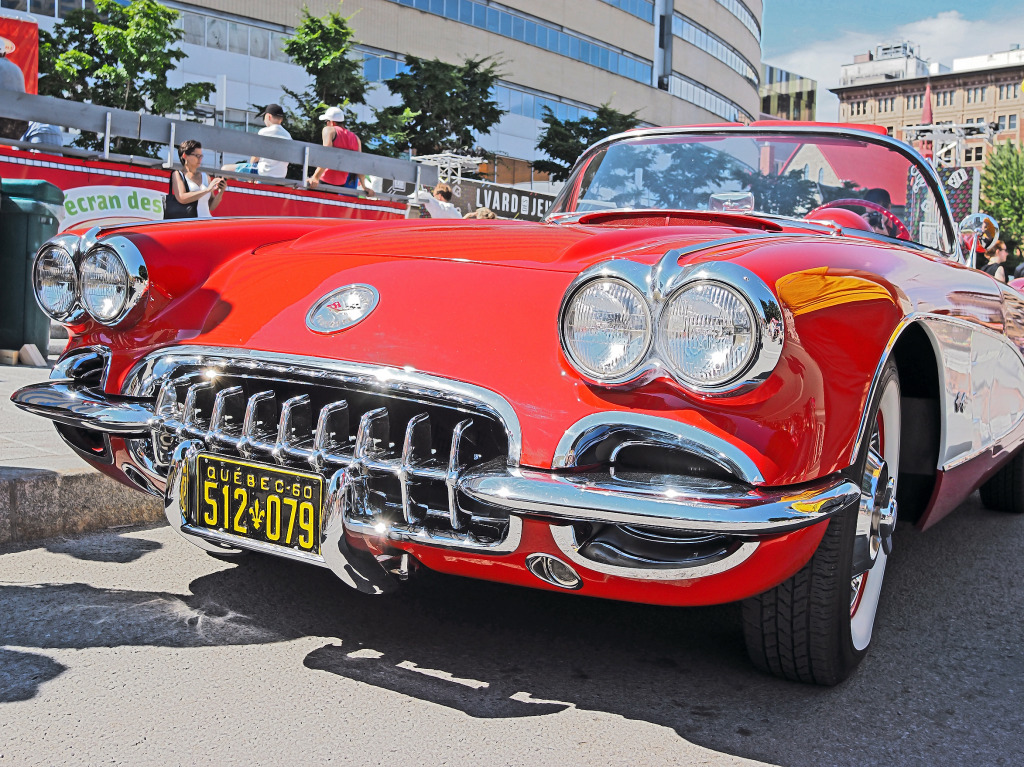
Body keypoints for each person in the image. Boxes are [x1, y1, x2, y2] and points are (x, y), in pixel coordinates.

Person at [222, 103, 291, 178]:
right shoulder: (288, 136)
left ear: (269, 116)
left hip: (263, 173)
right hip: (281, 176)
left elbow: (255, 158)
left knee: (225, 169)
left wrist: (251, 174)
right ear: (281, 119)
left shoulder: (264, 132)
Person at [307, 106, 367, 192]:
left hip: (323, 180)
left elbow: (326, 156)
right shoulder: (356, 138)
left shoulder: (329, 130)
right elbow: (358, 165)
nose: (326, 124)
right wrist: (364, 187)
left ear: (331, 122)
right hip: (340, 185)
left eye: (326, 121)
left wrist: (315, 177)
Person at [171, 140, 226, 218]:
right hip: (190, 223)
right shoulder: (178, 174)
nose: (200, 159)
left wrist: (220, 192)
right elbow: (182, 198)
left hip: (206, 221)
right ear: (185, 156)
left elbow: (211, 206)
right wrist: (207, 190)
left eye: (201, 156)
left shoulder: (205, 176)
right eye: (197, 156)